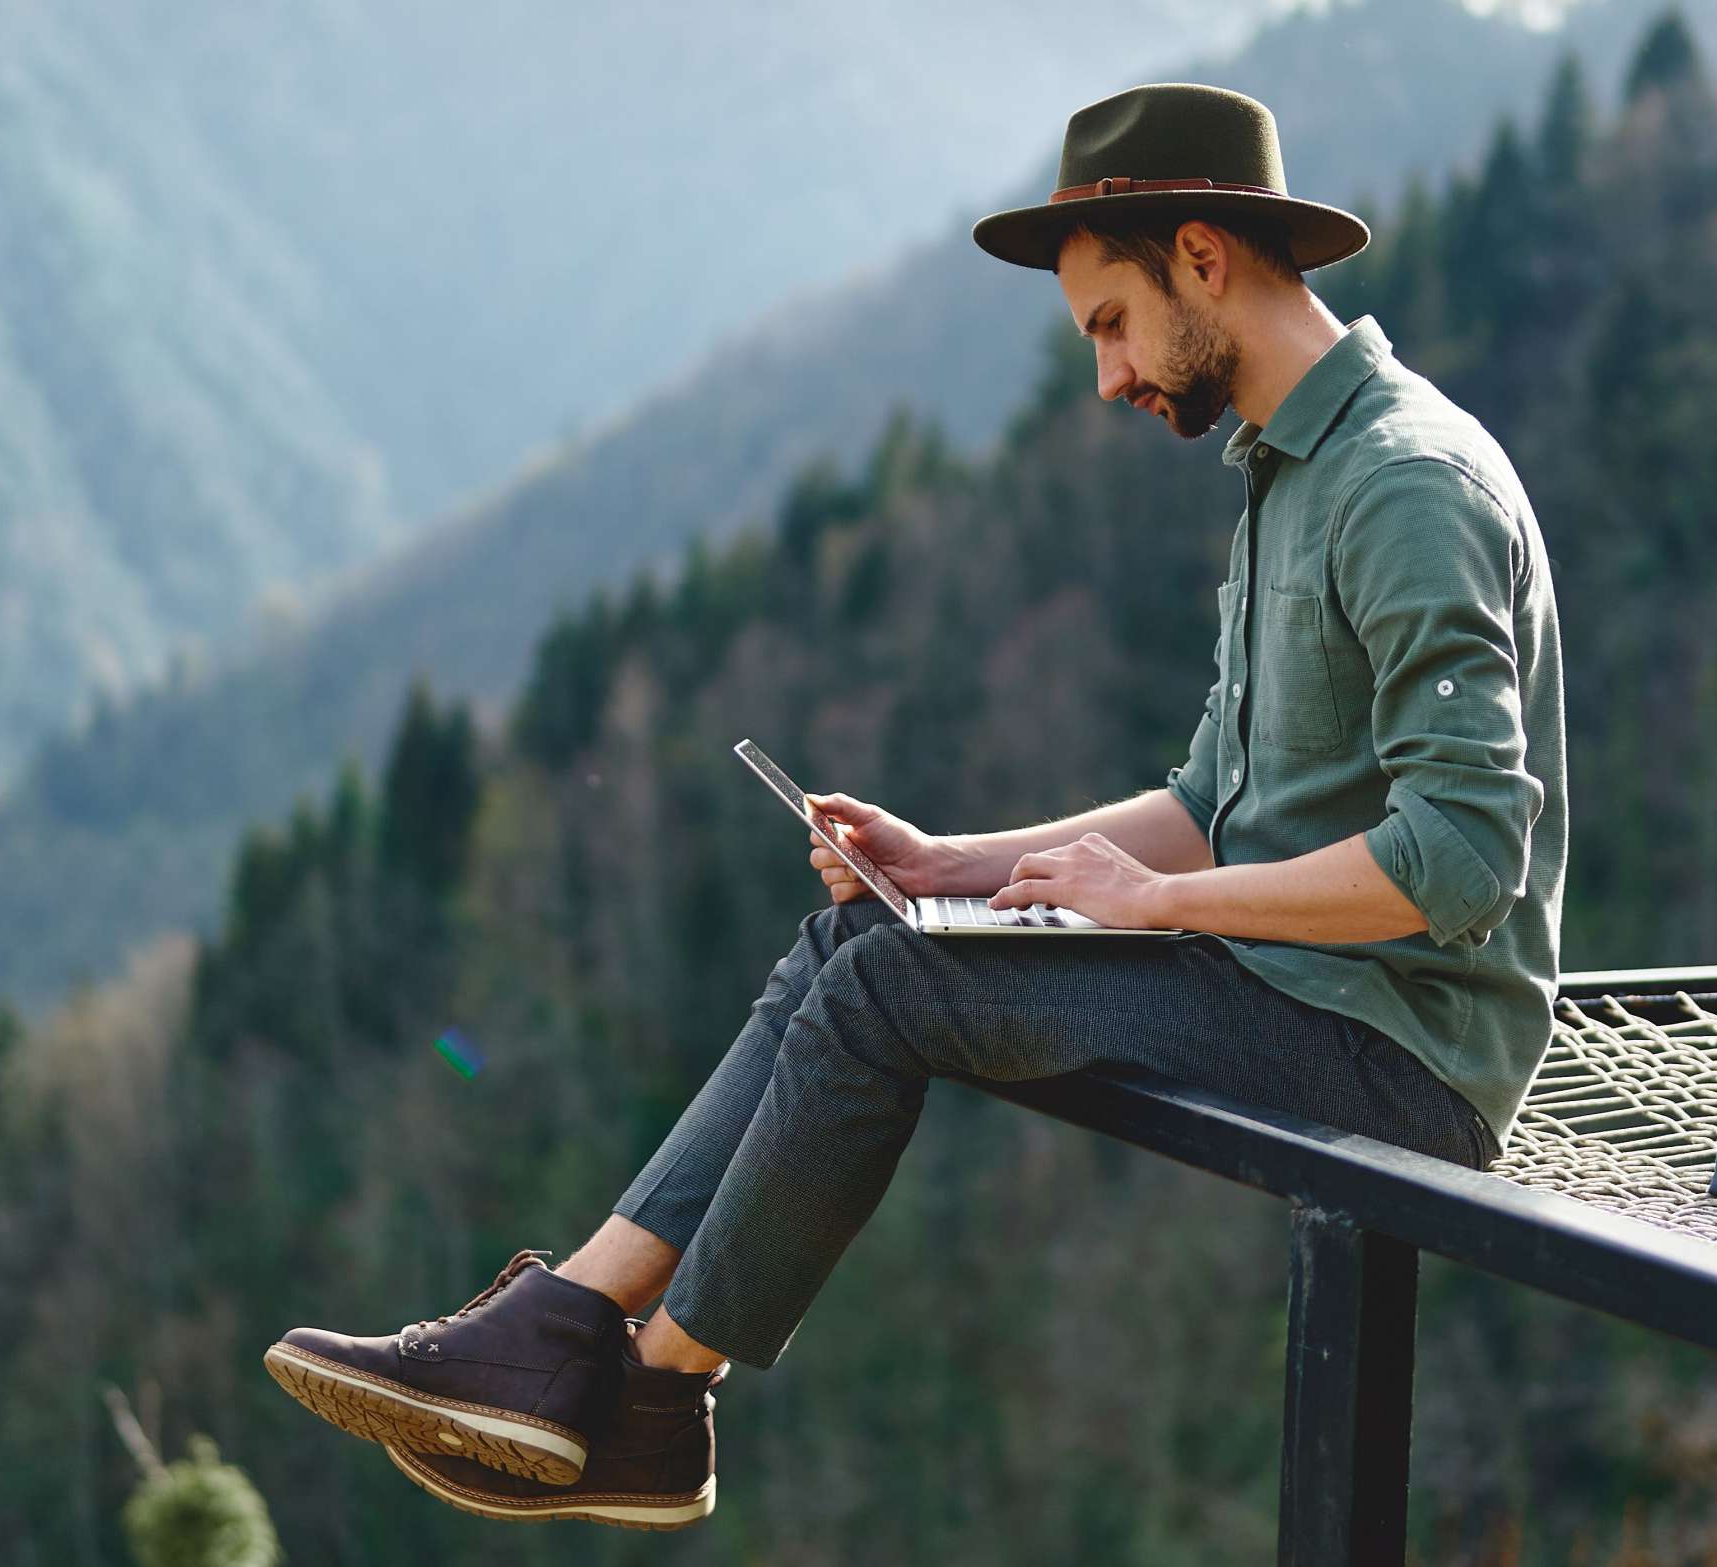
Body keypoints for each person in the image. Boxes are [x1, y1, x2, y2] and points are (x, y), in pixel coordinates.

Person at [261, 80, 1568, 1532]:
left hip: (1398, 1052)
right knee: (856, 942)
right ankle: (567, 1322)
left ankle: (652, 1396)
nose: (1107, 377)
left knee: (892, 988)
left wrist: (1157, 907)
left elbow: (1458, 861)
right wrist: (950, 859)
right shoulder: (1288, 481)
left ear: (1202, 257)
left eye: (1108, 324)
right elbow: (1212, 803)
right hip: (1280, 981)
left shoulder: (1400, 486)